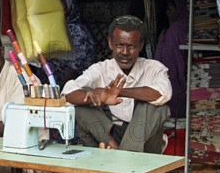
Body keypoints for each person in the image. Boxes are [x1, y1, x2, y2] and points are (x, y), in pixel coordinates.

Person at [61, 15, 172, 153]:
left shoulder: (153, 68)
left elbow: (164, 92)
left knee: (157, 106)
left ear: (141, 45)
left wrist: (121, 92)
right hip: (108, 136)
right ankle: (115, 148)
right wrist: (99, 97)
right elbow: (67, 94)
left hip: (145, 143)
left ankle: (123, 158)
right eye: (120, 45)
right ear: (110, 44)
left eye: (131, 46)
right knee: (81, 99)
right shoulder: (100, 69)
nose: (125, 52)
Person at [35, 0, 95, 87]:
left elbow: (75, 65)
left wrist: (62, 86)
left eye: (63, 10)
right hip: (49, 84)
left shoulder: (77, 31)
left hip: (68, 84)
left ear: (71, 11)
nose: (59, 13)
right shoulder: (53, 28)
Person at [155, 0, 188, 118]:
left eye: (170, 9)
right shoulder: (180, 27)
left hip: (173, 74)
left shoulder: (175, 30)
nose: (167, 13)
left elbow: (175, 56)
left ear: (178, 10)